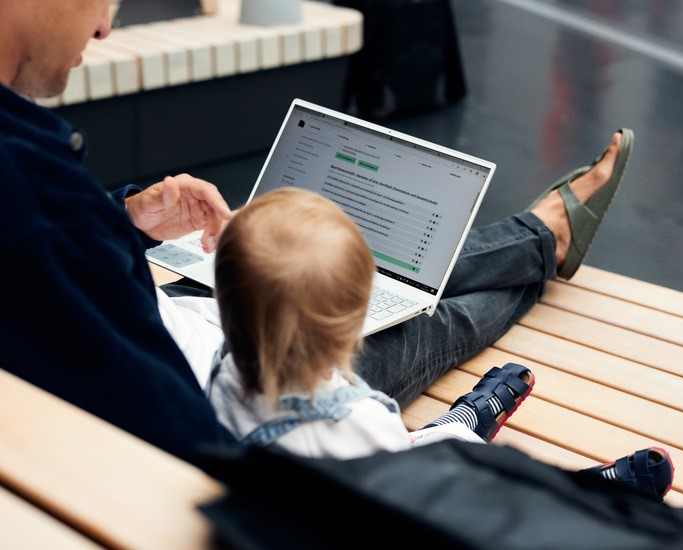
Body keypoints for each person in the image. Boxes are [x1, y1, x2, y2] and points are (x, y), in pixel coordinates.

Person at [0, 0, 641, 475]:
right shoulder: (36, 204)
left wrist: (125, 219)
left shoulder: (37, 200)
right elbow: (233, 466)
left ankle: (540, 240)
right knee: (421, 320)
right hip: (248, 384)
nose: (108, 25)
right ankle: (543, 241)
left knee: (353, 279)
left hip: (204, 339)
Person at [207, 187, 674, 501]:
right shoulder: (360, 419)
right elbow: (416, 481)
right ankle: (573, 495)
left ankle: (539, 255)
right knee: (468, 478)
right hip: (382, 508)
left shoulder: (217, 377)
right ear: (354, 332)